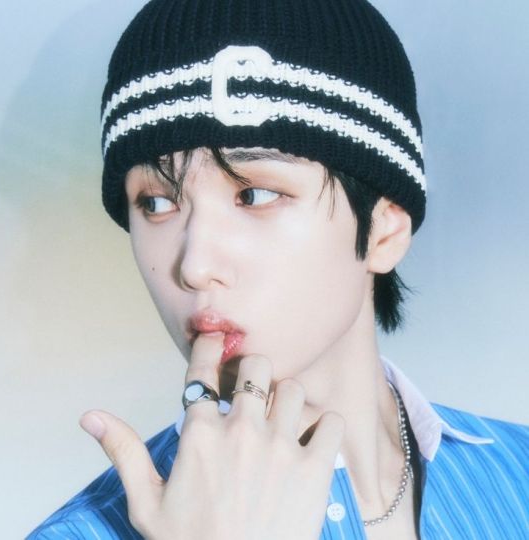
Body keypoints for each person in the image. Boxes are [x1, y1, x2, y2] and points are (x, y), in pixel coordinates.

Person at [28, 0, 529, 538]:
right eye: (156, 203)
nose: (195, 266)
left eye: (256, 195)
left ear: (384, 232)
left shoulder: (517, 477)